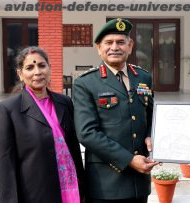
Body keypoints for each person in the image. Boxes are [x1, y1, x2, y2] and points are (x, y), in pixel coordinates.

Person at [73, 18, 158, 203]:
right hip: (107, 183)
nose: (114, 47)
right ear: (98, 48)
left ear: (130, 45)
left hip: (139, 181)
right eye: (108, 43)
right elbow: (87, 133)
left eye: (120, 42)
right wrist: (129, 160)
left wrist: (154, 136)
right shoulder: (85, 83)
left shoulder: (143, 77)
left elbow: (152, 117)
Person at [0, 46, 85, 203]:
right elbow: (4, 167)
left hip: (71, 191)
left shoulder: (65, 102)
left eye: (42, 65)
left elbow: (74, 149)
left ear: (49, 68)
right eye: (30, 67)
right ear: (20, 74)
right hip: (34, 194)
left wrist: (84, 189)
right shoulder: (8, 110)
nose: (37, 72)